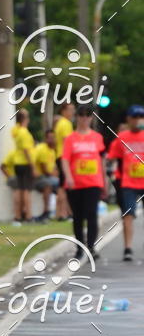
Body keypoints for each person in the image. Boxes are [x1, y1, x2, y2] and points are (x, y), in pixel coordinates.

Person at [61, 105, 108, 260]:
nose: (84, 118)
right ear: (77, 117)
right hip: (75, 183)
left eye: (88, 115)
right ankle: (79, 248)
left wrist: (104, 182)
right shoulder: (70, 139)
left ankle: (91, 247)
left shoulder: (97, 138)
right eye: (81, 115)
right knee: (78, 217)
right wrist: (68, 177)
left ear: (91, 118)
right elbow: (65, 160)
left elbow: (102, 161)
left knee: (91, 214)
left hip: (93, 182)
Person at [107, 105, 144, 261]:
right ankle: (128, 247)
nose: (138, 120)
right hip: (128, 182)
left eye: (140, 117)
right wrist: (113, 175)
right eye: (134, 117)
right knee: (128, 215)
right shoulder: (122, 137)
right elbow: (112, 158)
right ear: (128, 119)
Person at [11, 108, 35, 224]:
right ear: (24, 119)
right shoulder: (24, 132)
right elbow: (26, 150)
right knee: (26, 190)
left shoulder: (16, 131)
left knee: (20, 189)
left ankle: (18, 215)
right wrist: (33, 166)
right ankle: (28, 215)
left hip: (17, 162)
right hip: (25, 163)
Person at [32, 129, 59, 222]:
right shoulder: (42, 149)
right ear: (46, 139)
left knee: (63, 184)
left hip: (47, 177)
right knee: (49, 184)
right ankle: (46, 212)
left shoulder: (52, 151)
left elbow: (54, 168)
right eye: (50, 138)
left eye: (53, 138)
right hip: (39, 178)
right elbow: (45, 171)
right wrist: (56, 177)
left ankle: (64, 213)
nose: (52, 140)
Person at [54, 102, 74, 219]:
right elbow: (68, 142)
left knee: (62, 186)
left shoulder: (59, 123)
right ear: (63, 111)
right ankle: (63, 213)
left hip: (59, 156)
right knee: (64, 186)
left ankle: (61, 212)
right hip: (64, 157)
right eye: (70, 110)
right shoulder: (65, 123)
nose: (72, 113)